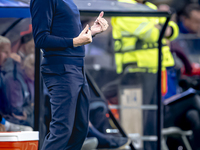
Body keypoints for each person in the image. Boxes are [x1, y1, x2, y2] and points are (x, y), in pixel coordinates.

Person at [30, 0, 108, 149]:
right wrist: (74, 41)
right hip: (61, 69)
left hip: (77, 68)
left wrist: (92, 32)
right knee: (62, 130)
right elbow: (41, 39)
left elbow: (72, 37)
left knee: (79, 129)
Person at [109, 0, 179, 150]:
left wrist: (164, 28)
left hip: (156, 68)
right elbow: (152, 34)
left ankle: (152, 147)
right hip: (136, 70)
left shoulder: (149, 6)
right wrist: (162, 29)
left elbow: (173, 30)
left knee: (154, 116)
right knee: (141, 117)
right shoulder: (124, 5)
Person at [3, 54, 35, 129]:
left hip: (29, 116)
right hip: (13, 119)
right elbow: (17, 110)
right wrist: (28, 109)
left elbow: (35, 103)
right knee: (29, 129)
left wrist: (27, 110)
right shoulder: (14, 79)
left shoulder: (29, 81)